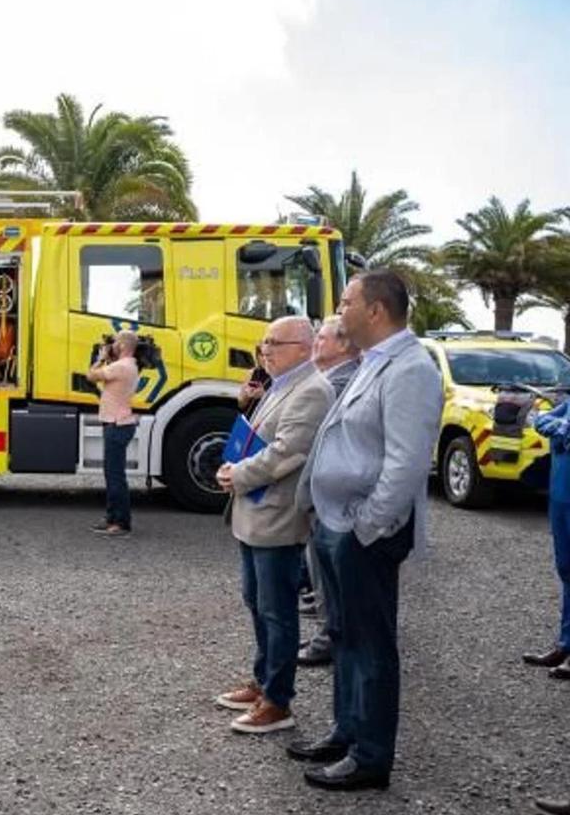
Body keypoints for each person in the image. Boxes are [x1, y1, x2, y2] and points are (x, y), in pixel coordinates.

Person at [288, 271, 443, 792]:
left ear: (376, 310)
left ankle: (371, 756)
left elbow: (405, 464)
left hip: (364, 531)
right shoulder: (373, 361)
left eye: (347, 301)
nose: (340, 308)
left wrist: (366, 527)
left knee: (371, 644)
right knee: (346, 636)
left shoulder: (411, 369)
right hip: (337, 522)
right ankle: (347, 730)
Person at [214, 317, 334, 733]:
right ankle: (263, 679)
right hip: (255, 511)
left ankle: (278, 701)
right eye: (263, 343)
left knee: (278, 610)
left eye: (274, 343)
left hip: (278, 514)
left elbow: (288, 453)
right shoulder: (280, 384)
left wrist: (238, 475)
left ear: (303, 347)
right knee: (256, 600)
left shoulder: (313, 390)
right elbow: (258, 437)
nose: (265, 351)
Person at [298, 316, 362, 667]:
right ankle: (329, 631)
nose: (315, 343)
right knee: (322, 573)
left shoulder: (340, 383)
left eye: (321, 337)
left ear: (342, 344)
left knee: (329, 576)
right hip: (323, 493)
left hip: (332, 497)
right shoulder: (330, 378)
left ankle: (330, 637)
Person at [524, 399, 570, 682]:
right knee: (566, 570)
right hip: (561, 497)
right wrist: (563, 428)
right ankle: (565, 644)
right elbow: (539, 421)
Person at [87, 331, 139, 536]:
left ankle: (121, 523)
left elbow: (91, 376)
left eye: (116, 342)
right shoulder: (129, 365)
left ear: (124, 346)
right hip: (119, 424)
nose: (113, 345)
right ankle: (111, 518)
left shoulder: (121, 366)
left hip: (117, 425)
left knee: (115, 476)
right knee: (112, 474)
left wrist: (100, 359)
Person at [238, 344, 272, 419]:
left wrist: (263, 395)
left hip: (264, 422)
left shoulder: (277, 376)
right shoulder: (252, 373)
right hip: (248, 419)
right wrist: (246, 395)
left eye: (267, 355)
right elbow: (240, 404)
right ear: (257, 356)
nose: (264, 359)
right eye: (262, 355)